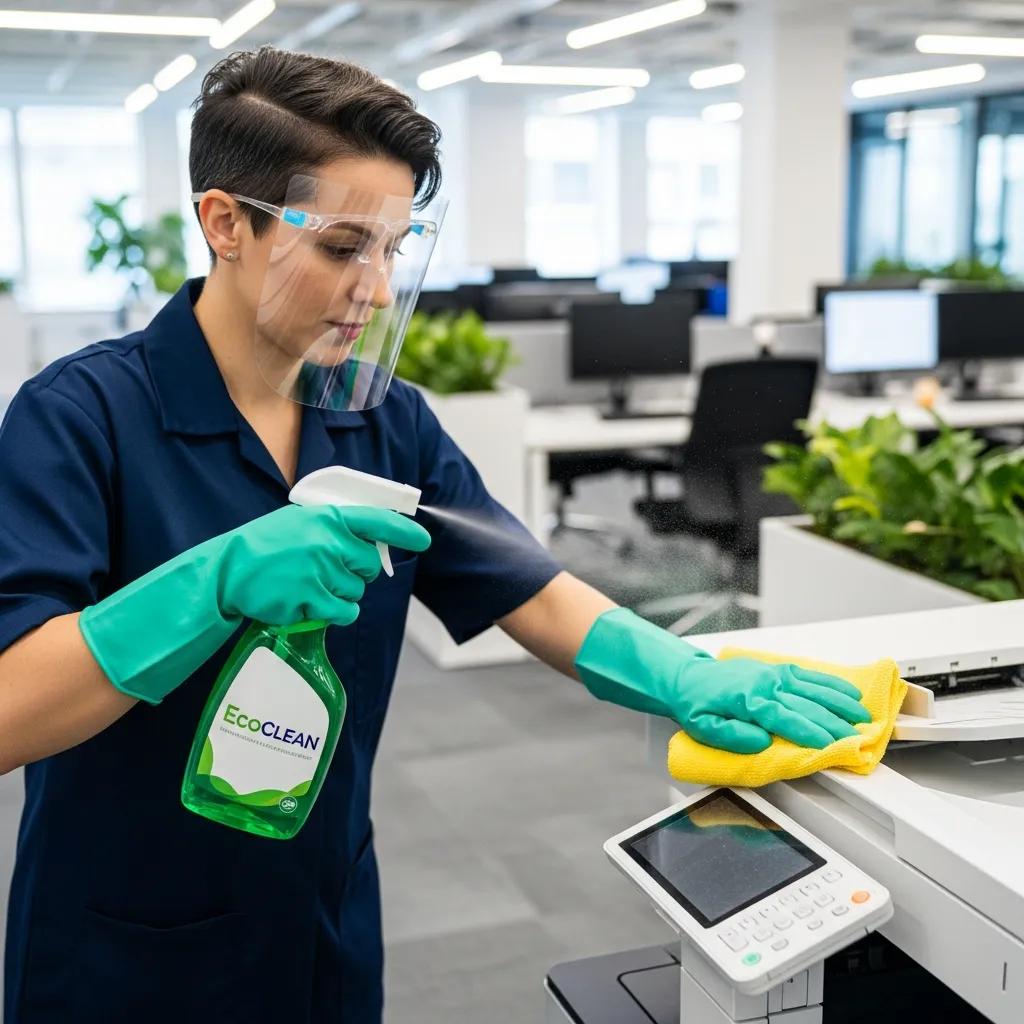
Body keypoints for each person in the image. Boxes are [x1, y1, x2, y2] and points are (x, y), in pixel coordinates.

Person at [0, 47, 869, 1023]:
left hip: (324, 914)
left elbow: (523, 585)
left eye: (394, 247)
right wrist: (212, 584)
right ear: (224, 223)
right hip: (125, 947)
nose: (374, 286)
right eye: (340, 246)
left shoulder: (380, 416)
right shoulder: (78, 418)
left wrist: (682, 672)